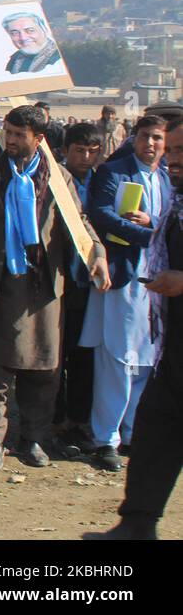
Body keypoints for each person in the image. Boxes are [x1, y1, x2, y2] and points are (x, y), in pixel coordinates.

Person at [0, 104, 109, 471]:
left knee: (43, 368)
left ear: (39, 139)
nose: (11, 141)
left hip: (44, 287)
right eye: (8, 133)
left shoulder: (58, 180)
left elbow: (78, 224)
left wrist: (97, 252)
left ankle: (33, 438)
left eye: (19, 136)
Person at [90, 117, 183, 539]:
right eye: (172, 149)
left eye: (176, 149)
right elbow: (104, 215)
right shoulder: (164, 191)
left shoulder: (170, 185)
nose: (171, 157)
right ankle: (136, 520)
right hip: (162, 319)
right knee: (152, 421)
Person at [79, 114, 171, 472]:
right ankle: (106, 439)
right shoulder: (114, 172)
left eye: (157, 139)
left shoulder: (166, 178)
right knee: (117, 359)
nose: (151, 144)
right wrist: (152, 233)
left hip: (158, 282)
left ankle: (132, 432)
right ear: (134, 138)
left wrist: (156, 225)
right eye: (146, 137)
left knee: (147, 361)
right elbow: (100, 215)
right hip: (124, 279)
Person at [53, 122, 102, 457]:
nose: (85, 157)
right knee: (56, 356)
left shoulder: (102, 184)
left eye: (91, 151)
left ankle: (80, 421)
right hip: (60, 280)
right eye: (79, 150)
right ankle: (54, 422)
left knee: (85, 356)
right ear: (66, 150)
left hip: (92, 285)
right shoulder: (55, 181)